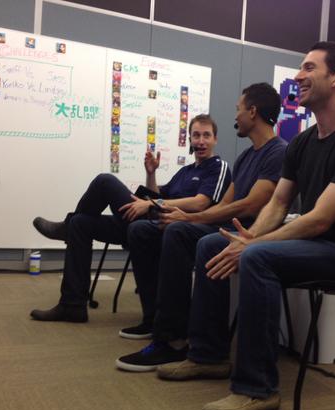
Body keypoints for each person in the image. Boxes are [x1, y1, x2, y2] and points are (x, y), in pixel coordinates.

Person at [157, 41, 335, 410]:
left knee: (257, 256)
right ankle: (208, 355)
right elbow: (278, 204)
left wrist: (254, 245)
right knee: (214, 244)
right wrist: (247, 238)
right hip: (314, 241)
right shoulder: (303, 143)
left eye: (309, 68)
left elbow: (320, 220)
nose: (298, 75)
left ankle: (257, 389)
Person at [115, 82, 287, 369]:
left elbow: (250, 205)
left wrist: (189, 218)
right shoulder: (246, 156)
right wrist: (183, 215)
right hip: (225, 226)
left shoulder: (278, 152)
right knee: (144, 230)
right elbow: (224, 205)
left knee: (179, 231)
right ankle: (158, 323)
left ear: (252, 112)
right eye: (196, 135)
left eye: (239, 109)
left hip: (248, 232)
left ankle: (172, 340)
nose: (236, 116)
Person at [29, 114, 231, 323]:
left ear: (215, 139)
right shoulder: (185, 172)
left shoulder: (218, 167)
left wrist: (151, 204)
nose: (201, 141)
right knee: (81, 224)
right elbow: (157, 195)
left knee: (105, 181)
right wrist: (151, 174)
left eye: (206, 135)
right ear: (190, 139)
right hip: (148, 220)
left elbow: (200, 203)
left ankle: (66, 227)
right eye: (196, 135)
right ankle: (72, 306)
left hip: (170, 227)